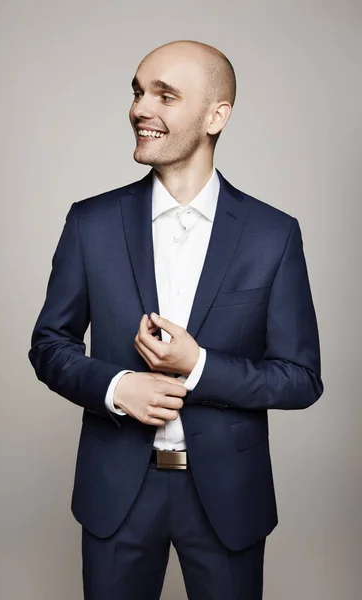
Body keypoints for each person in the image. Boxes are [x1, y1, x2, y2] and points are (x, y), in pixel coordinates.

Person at [28, 39, 324, 600]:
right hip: (116, 493)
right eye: (139, 92)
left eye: (165, 95)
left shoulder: (273, 234)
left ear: (217, 115)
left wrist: (199, 367)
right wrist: (117, 386)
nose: (142, 108)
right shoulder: (90, 223)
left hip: (228, 500)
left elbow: (301, 379)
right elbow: (49, 344)